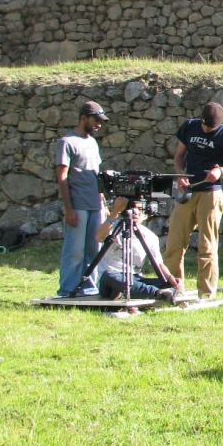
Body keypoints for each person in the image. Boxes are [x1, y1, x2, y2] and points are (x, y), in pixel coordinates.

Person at [162, 101, 223, 301]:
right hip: (187, 191)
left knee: (207, 246)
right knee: (174, 243)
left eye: (211, 127)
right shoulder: (189, 126)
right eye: (205, 125)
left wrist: (221, 171)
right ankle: (173, 289)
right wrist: (180, 174)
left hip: (210, 194)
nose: (207, 129)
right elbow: (179, 156)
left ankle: (206, 294)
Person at [55, 100, 107, 296]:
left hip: (96, 204)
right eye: (96, 121)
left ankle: (89, 289)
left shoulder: (92, 142)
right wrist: (69, 209)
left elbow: (96, 173)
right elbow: (62, 177)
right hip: (78, 205)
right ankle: (67, 290)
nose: (98, 125)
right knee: (75, 251)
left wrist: (103, 202)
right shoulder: (66, 142)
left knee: (94, 249)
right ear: (83, 118)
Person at [94, 196, 180, 303]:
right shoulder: (113, 227)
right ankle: (157, 293)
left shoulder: (150, 236)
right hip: (110, 276)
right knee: (112, 277)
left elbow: (159, 263)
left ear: (146, 215)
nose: (135, 212)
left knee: (169, 284)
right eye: (132, 208)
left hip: (134, 277)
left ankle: (127, 291)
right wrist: (115, 212)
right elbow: (98, 237)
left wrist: (170, 278)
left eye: (139, 209)